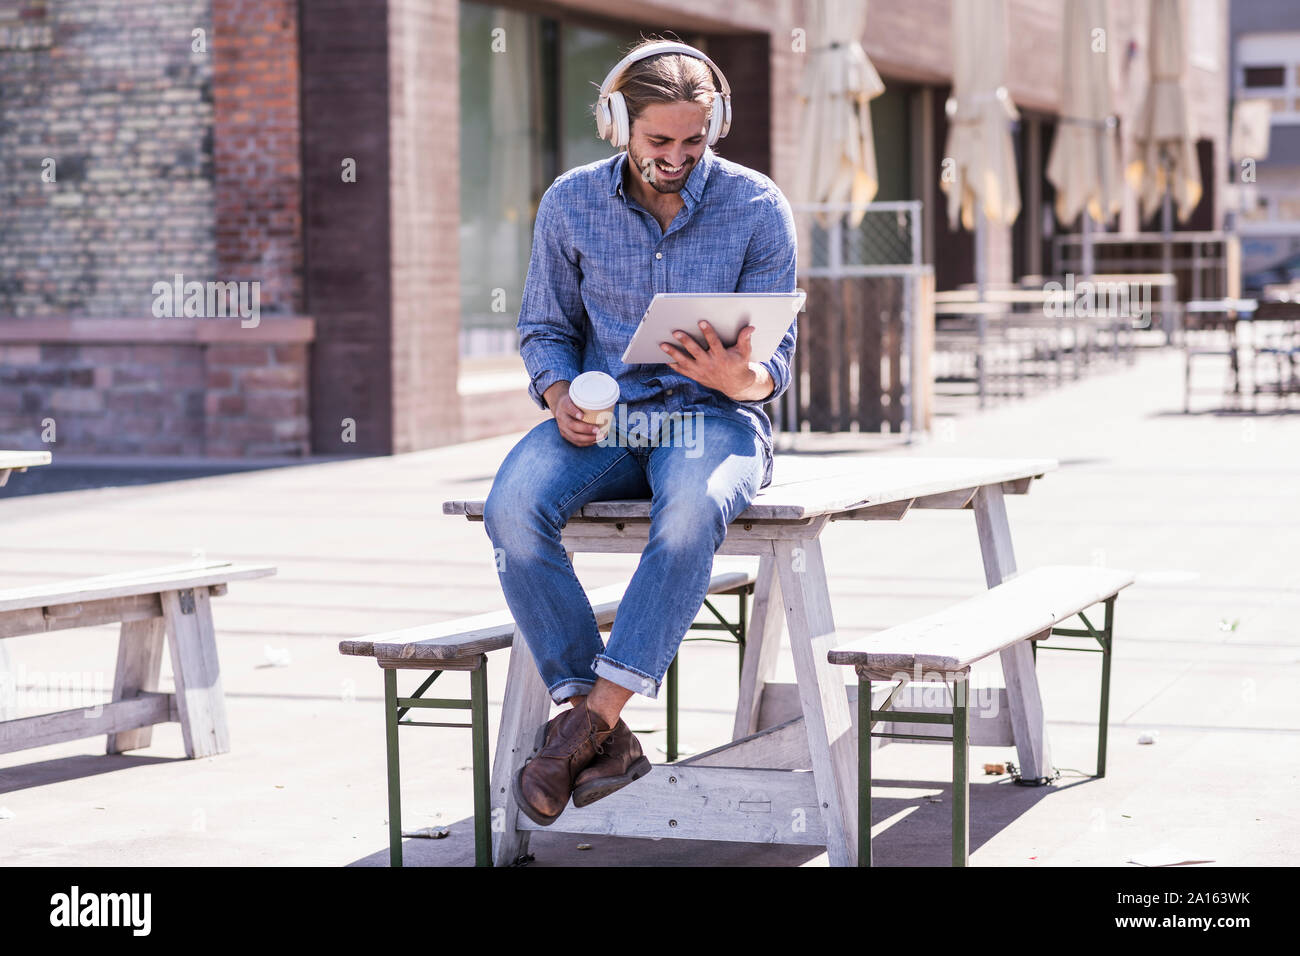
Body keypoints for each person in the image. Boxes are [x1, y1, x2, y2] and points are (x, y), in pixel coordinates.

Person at [482, 37, 798, 827]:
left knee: (690, 512)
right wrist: (556, 393)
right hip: (604, 419)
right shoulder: (569, 202)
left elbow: (777, 362)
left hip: (715, 418)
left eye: (696, 140)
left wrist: (742, 379)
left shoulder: (757, 206)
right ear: (617, 122)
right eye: (660, 140)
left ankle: (584, 728)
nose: (678, 157)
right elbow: (544, 327)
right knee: (513, 508)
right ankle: (605, 732)